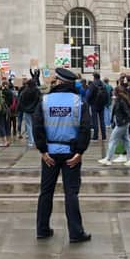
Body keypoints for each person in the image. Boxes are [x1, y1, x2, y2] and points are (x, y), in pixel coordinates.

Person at [33, 68, 92, 242]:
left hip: (50, 153)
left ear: (58, 82)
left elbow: (37, 127)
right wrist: (80, 151)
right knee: (71, 193)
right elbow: (85, 129)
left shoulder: (45, 101)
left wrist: (42, 150)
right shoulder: (79, 102)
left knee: (46, 192)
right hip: (71, 153)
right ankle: (75, 232)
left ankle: (42, 229)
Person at [98, 81, 130, 166]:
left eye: (114, 91)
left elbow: (128, 113)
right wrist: (112, 120)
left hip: (122, 123)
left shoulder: (122, 101)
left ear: (117, 92)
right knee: (126, 141)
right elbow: (115, 112)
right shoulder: (119, 100)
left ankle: (108, 159)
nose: (113, 92)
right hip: (122, 123)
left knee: (113, 140)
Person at [19, 79, 41, 148]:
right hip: (35, 111)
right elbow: (40, 100)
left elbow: (21, 101)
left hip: (27, 111)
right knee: (35, 125)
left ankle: (31, 141)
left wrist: (24, 108)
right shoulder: (37, 91)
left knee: (28, 126)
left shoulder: (24, 91)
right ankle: (36, 140)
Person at [87, 73, 108, 141]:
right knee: (102, 120)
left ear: (94, 77)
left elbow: (89, 95)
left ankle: (95, 136)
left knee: (95, 120)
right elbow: (107, 95)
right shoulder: (103, 84)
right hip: (102, 104)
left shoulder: (93, 84)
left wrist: (88, 102)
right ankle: (104, 136)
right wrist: (105, 103)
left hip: (94, 104)